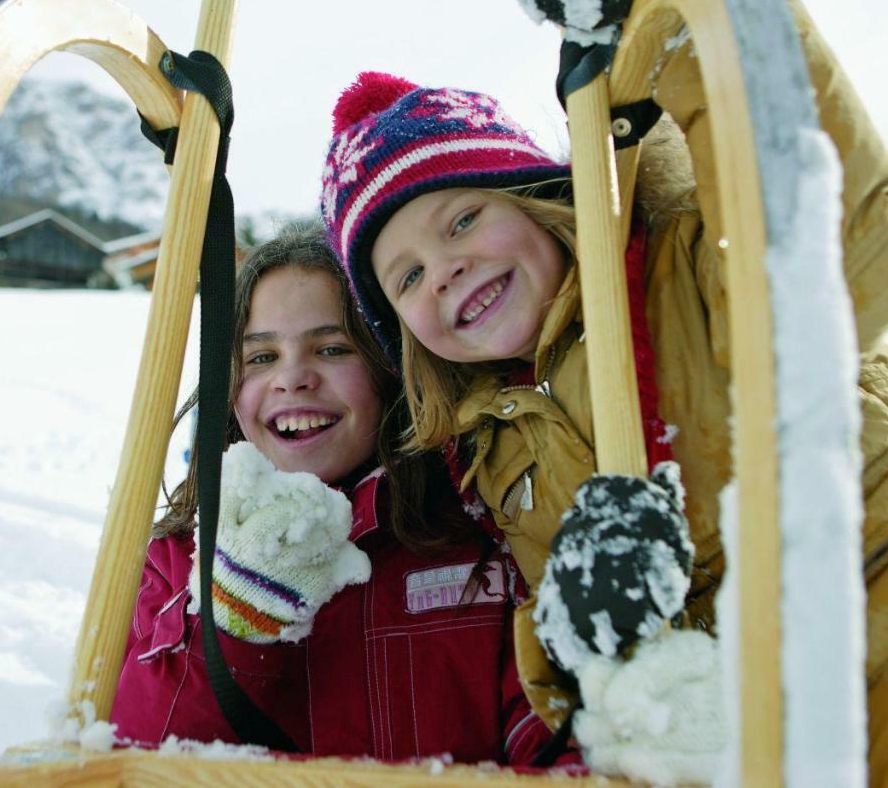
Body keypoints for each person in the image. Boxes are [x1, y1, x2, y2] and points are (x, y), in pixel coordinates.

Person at [318, 1, 888, 785]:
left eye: (461, 220)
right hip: (832, 757)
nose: (446, 268)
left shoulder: (688, 267)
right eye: (409, 276)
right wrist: (571, 634)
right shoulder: (493, 448)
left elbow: (845, 243)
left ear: (539, 197)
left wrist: (684, 32)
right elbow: (575, 666)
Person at [110, 227, 569, 767]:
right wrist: (236, 621)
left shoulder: (483, 529)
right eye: (260, 357)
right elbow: (136, 762)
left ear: (391, 369)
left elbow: (553, 741)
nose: (292, 378)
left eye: (331, 348)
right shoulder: (175, 564)